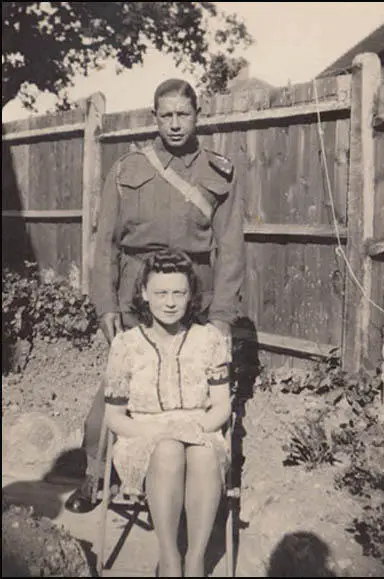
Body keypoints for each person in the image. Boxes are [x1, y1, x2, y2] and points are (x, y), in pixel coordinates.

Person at [65, 78, 245, 513]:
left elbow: (232, 248)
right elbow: (104, 242)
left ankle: (198, 475)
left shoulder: (219, 172)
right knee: (123, 378)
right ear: (154, 117)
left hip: (192, 291)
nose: (175, 124)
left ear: (198, 116)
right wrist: (106, 304)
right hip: (134, 287)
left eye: (184, 114)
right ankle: (96, 472)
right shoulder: (127, 169)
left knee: (194, 384)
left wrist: (221, 315)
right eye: (166, 115)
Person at [103, 247, 232, 577]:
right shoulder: (126, 345)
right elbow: (115, 418)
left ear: (191, 296)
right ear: (144, 293)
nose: (170, 302)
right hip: (143, 436)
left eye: (179, 292)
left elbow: (221, 407)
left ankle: (196, 558)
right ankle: (170, 557)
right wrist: (159, 433)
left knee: (203, 454)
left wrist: (197, 428)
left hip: (199, 427)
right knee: (168, 451)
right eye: (161, 292)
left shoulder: (209, 339)